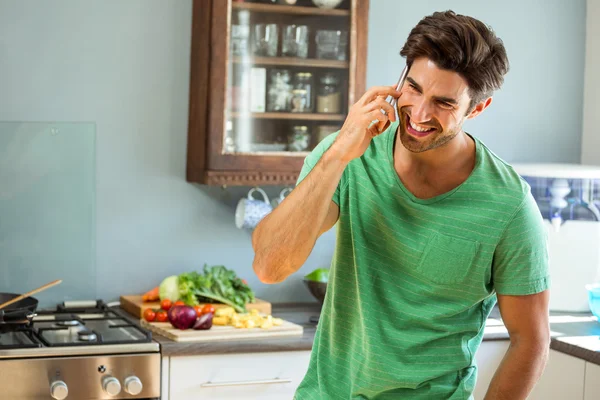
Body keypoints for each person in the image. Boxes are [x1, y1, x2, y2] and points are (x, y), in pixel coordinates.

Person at [252, 10, 550, 400]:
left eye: (444, 103)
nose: (420, 114)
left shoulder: (509, 205)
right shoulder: (348, 155)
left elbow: (531, 340)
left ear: (477, 109)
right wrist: (338, 152)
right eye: (413, 88)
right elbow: (270, 266)